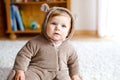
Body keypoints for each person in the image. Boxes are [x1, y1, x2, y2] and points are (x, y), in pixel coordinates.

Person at [7, 3, 82, 80]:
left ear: (69, 32)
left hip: (60, 72)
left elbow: (73, 62)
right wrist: (20, 70)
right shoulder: (35, 42)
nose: (57, 28)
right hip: (38, 70)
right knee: (27, 77)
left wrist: (74, 75)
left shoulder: (69, 47)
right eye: (53, 23)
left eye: (63, 26)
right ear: (45, 25)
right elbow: (23, 55)